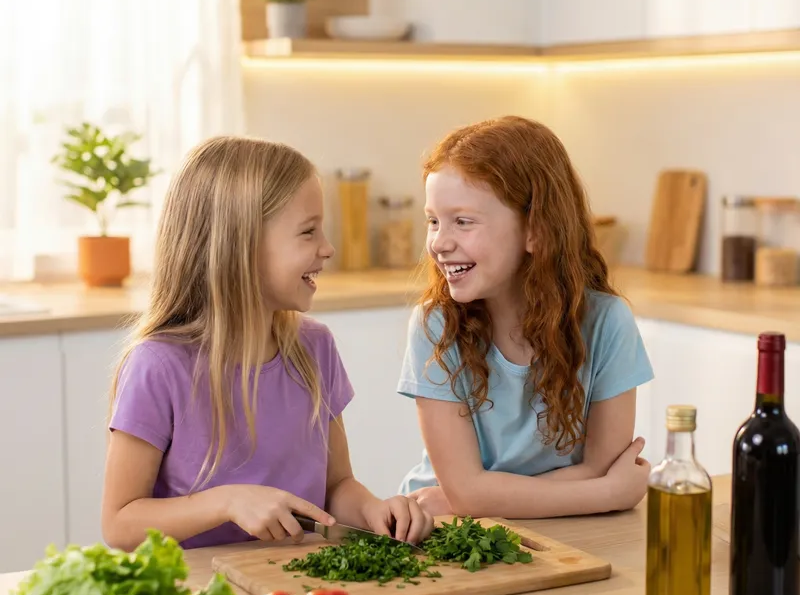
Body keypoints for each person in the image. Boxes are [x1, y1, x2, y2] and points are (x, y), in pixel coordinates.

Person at [101, 136, 432, 551]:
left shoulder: (314, 349)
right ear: (240, 246)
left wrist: (373, 510)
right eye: (308, 232)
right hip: (200, 593)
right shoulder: (158, 365)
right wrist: (226, 501)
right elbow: (120, 523)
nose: (327, 249)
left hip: (295, 584)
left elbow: (337, 486)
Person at [397, 116, 654, 519]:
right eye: (433, 221)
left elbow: (600, 466)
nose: (439, 243)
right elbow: (467, 492)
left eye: (462, 222)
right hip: (437, 528)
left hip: (560, 528)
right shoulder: (436, 325)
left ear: (536, 231)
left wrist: (476, 499)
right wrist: (609, 494)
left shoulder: (607, 322)